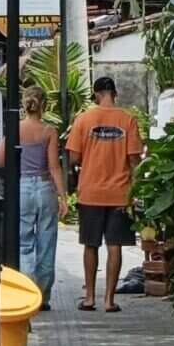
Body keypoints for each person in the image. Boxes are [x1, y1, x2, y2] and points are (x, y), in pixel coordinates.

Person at [66, 75, 144, 313]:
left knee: (90, 245)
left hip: (90, 192)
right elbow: (134, 160)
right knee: (115, 245)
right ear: (114, 94)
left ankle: (89, 297)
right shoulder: (128, 119)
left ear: (96, 94)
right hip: (120, 193)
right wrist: (136, 188)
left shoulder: (83, 120)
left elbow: (74, 157)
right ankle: (109, 300)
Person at [12, 86, 67, 309]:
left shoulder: (14, 129)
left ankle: (27, 295)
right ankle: (43, 296)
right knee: (46, 243)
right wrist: (63, 196)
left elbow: (0, 157)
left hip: (22, 187)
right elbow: (54, 167)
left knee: (24, 244)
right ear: (44, 104)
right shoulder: (49, 132)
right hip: (45, 189)